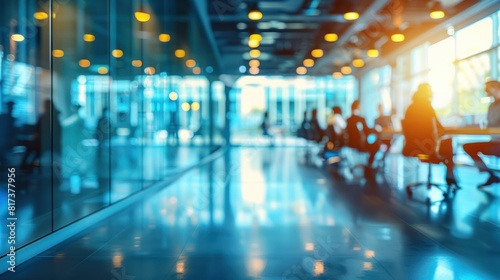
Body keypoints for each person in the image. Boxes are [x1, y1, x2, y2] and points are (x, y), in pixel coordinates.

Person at [402, 83, 457, 186]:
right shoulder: (427, 107)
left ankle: (450, 175)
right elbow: (440, 128)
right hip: (428, 150)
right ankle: (450, 175)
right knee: (448, 142)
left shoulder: (410, 108)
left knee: (442, 142)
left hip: (412, 149)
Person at [463, 80, 500, 188]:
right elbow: (489, 125)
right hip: (494, 142)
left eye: (487, 88)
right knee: (468, 147)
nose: (485, 91)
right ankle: (489, 174)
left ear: (495, 88)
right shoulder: (492, 106)